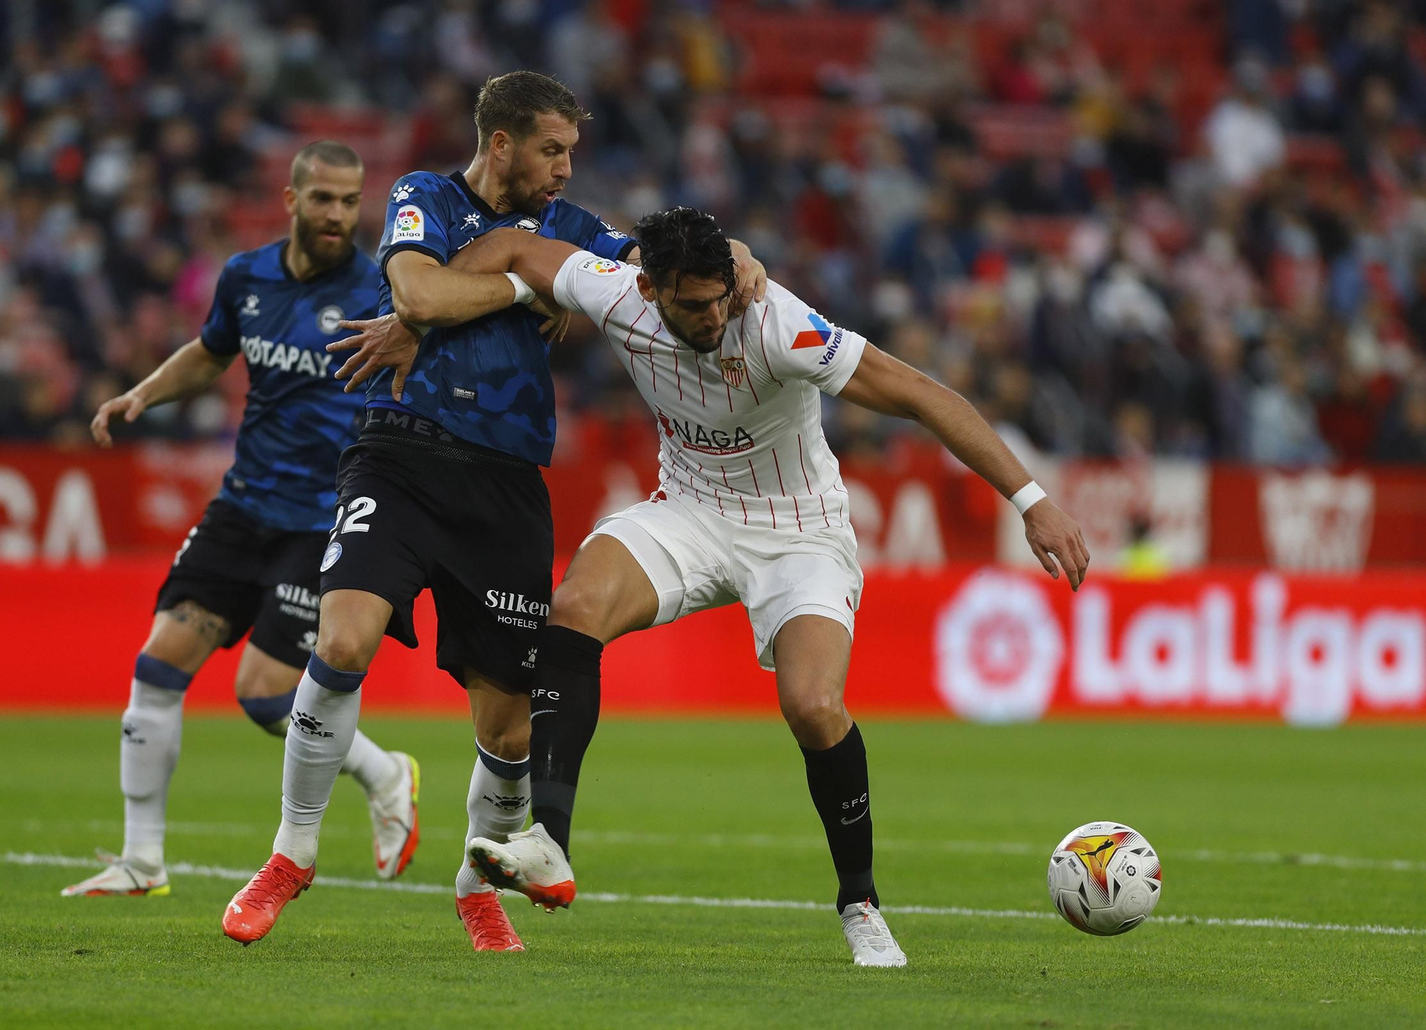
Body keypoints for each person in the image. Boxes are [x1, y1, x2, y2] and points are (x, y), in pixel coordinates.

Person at [425, 207, 1090, 966]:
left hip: (799, 531)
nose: (712, 316)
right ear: (650, 289)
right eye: (692, 305)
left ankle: (861, 902)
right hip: (688, 512)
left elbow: (920, 395)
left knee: (812, 704)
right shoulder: (613, 290)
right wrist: (410, 316)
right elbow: (513, 246)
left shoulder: (778, 324)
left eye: (719, 299)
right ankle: (549, 842)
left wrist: (1033, 503)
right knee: (573, 608)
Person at [220, 73, 765, 951]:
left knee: (508, 721)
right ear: (502, 143)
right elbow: (421, 298)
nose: (564, 168)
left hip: (508, 479)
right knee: (343, 640)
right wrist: (527, 280)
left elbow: (678, 262)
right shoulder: (424, 196)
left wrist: (738, 254)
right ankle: (291, 854)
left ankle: (479, 888)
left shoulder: (579, 232)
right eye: (552, 150)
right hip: (399, 450)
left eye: (572, 153)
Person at [61, 141, 420, 898]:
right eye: (323, 199)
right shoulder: (246, 277)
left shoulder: (381, 290)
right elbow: (209, 351)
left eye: (352, 201)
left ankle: (388, 775)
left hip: (320, 518)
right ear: (290, 201)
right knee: (157, 667)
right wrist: (141, 396)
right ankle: (142, 862)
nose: (338, 215)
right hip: (242, 504)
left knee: (263, 695)